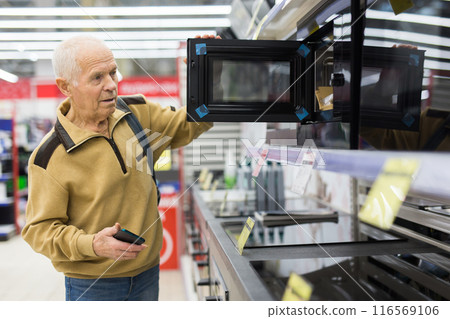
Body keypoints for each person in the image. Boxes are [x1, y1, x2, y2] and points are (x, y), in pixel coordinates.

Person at [21, 35, 215, 301]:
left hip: (147, 274)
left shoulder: (135, 114)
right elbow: (39, 230)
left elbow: (189, 123)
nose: (112, 85)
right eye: (97, 77)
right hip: (93, 286)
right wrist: (92, 245)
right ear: (66, 86)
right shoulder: (50, 155)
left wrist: (207, 77)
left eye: (113, 72)